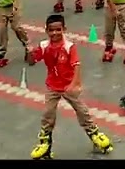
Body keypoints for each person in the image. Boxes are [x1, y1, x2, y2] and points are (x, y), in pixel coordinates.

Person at [27, 14, 113, 159]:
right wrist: (29, 52)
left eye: (58, 29)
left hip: (68, 86)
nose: (55, 33)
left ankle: (95, 134)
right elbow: (31, 61)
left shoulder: (69, 47)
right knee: (48, 115)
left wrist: (75, 84)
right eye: (51, 30)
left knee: (82, 111)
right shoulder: (43, 46)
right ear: (46, 30)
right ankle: (45, 144)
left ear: (64, 29)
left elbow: (76, 65)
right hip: (52, 87)